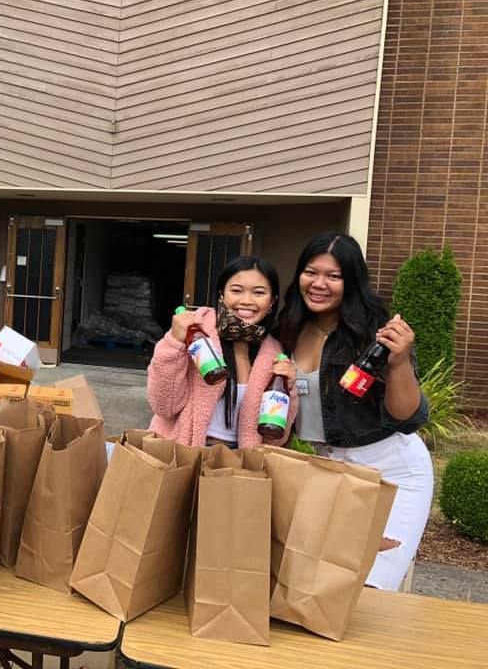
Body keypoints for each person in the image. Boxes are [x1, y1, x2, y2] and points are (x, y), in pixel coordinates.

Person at [275, 232, 433, 591]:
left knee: (369, 588)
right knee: (316, 586)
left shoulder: (373, 334)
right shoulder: (288, 327)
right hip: (328, 471)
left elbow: (406, 418)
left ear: (352, 281)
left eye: (334, 276)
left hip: (391, 474)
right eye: (311, 272)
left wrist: (399, 362)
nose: (319, 284)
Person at [147, 255, 297, 448]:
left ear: (272, 302)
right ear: (222, 295)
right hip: (183, 455)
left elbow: (275, 438)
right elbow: (164, 406)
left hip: (238, 466)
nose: (246, 301)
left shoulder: (275, 354)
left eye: (259, 293)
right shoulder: (194, 333)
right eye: (236, 290)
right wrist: (173, 344)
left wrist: (289, 389)